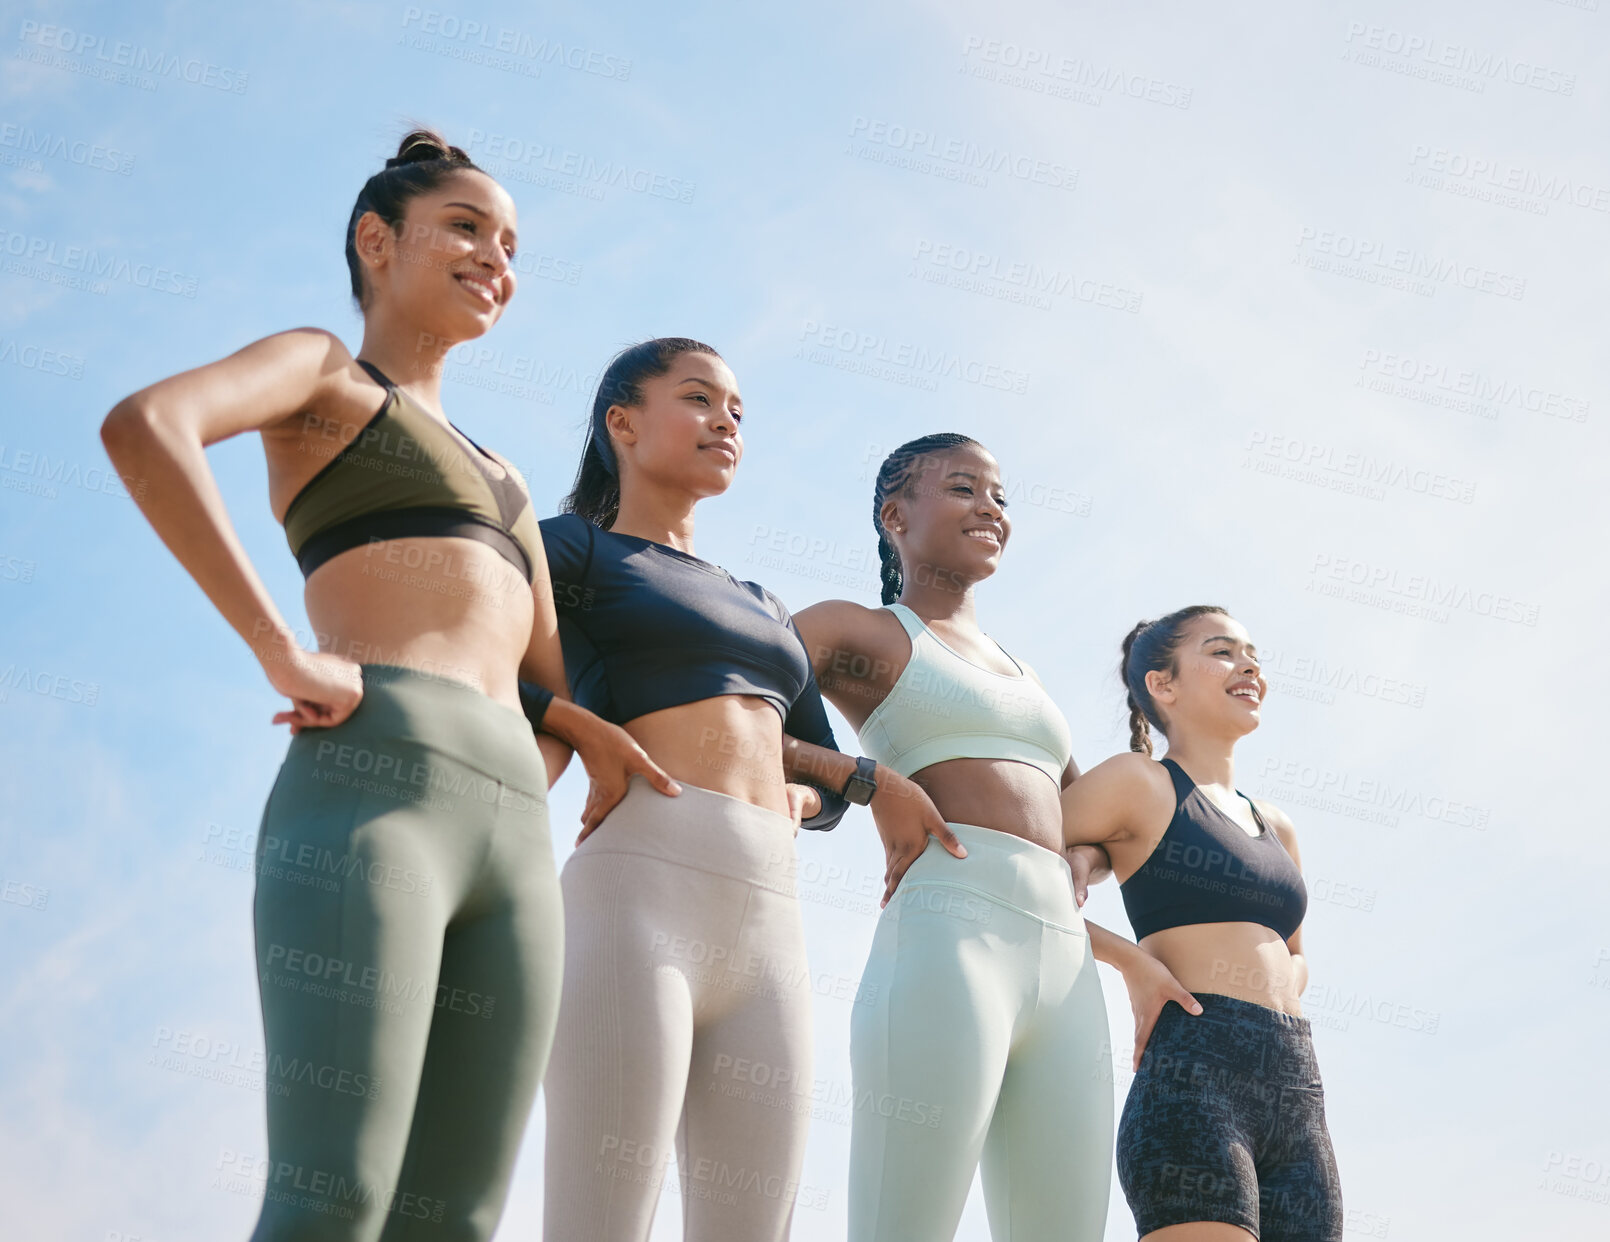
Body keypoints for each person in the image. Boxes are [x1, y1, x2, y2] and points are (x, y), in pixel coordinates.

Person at [99, 130, 672, 1242]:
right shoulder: (326, 372)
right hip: (372, 790)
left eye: (509, 245)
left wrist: (566, 740)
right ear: (377, 239)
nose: (494, 260)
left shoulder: (507, 479)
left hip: (513, 841)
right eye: (465, 228)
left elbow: (540, 680)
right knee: (335, 1198)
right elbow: (147, 426)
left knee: (451, 1220)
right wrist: (277, 646)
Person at [538, 338, 953, 1242]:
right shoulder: (573, 549)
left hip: (768, 919)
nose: (726, 420)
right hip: (636, 893)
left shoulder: (764, 605)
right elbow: (476, 657)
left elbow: (824, 772)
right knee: (597, 1222)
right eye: (698, 399)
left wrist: (808, 790)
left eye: (736, 409)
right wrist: (582, 727)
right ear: (623, 423)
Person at [792, 433, 1196, 1242]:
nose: (990, 509)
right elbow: (728, 709)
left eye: (1000, 496)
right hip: (948, 940)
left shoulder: (1025, 678)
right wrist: (869, 782)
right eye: (964, 488)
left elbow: (1089, 815)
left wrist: (1087, 866)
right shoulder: (860, 632)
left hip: (1065, 969)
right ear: (894, 515)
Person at [1061, 604, 1343, 1241]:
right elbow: (1003, 869)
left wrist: (1281, 992)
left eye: (1252, 653)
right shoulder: (1139, 781)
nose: (1248, 665)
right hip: (1194, 1078)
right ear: (1163, 685)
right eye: (1221, 651)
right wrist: (1129, 960)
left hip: (1298, 1092)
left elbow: (1297, 954)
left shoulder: (1280, 826)